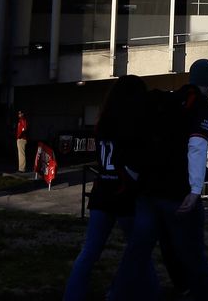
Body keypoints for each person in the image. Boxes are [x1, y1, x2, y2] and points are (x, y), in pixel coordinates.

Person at [111, 57, 208, 301]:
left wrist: (135, 175)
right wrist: (194, 190)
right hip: (176, 193)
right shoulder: (203, 105)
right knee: (194, 257)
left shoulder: (166, 99)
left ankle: (115, 296)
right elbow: (196, 144)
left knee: (136, 254)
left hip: (147, 191)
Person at [63, 76, 152, 301]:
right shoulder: (134, 124)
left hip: (102, 191)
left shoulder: (103, 122)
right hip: (125, 195)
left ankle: (72, 295)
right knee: (138, 252)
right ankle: (135, 293)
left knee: (90, 251)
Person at [15, 110, 31, 177]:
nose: (19, 114)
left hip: (22, 139)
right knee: (20, 154)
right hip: (21, 138)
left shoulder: (23, 120)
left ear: (23, 114)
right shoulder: (20, 120)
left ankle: (22, 169)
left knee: (21, 154)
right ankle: (21, 168)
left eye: (20, 113)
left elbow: (24, 129)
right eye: (18, 113)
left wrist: (20, 136)